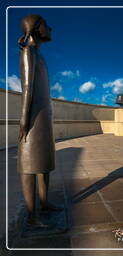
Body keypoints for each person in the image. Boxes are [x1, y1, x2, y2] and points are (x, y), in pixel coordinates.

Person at [17, 14, 61, 227]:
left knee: (44, 163)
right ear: (36, 28)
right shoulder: (28, 52)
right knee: (29, 165)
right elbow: (27, 88)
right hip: (32, 118)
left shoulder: (39, 55)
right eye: (46, 24)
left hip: (43, 118)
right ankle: (32, 216)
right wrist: (25, 120)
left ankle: (44, 204)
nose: (50, 28)